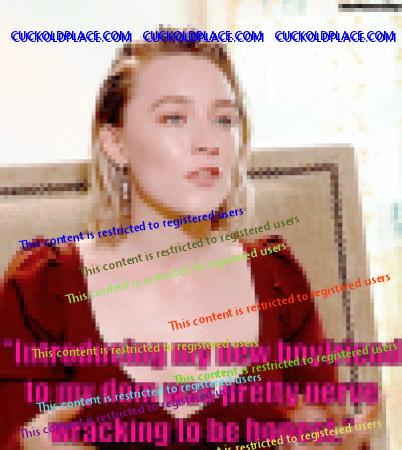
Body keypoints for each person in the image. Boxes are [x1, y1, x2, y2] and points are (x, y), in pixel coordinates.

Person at [0, 33, 374, 449]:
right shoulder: (41, 289)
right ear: (116, 143)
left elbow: (329, 431)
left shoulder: (278, 278)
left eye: (224, 119)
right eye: (174, 118)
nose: (208, 142)